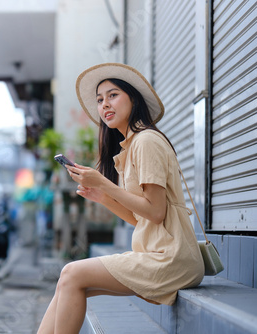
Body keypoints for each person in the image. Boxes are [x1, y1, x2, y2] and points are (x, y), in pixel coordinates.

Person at [37, 63, 204, 334]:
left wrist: (104, 183)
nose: (105, 105)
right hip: (156, 252)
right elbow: (142, 219)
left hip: (171, 259)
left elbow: (157, 212)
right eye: (100, 100)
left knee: (71, 273)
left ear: (133, 98)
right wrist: (102, 196)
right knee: (68, 281)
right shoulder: (131, 146)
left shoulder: (146, 141)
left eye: (113, 95)